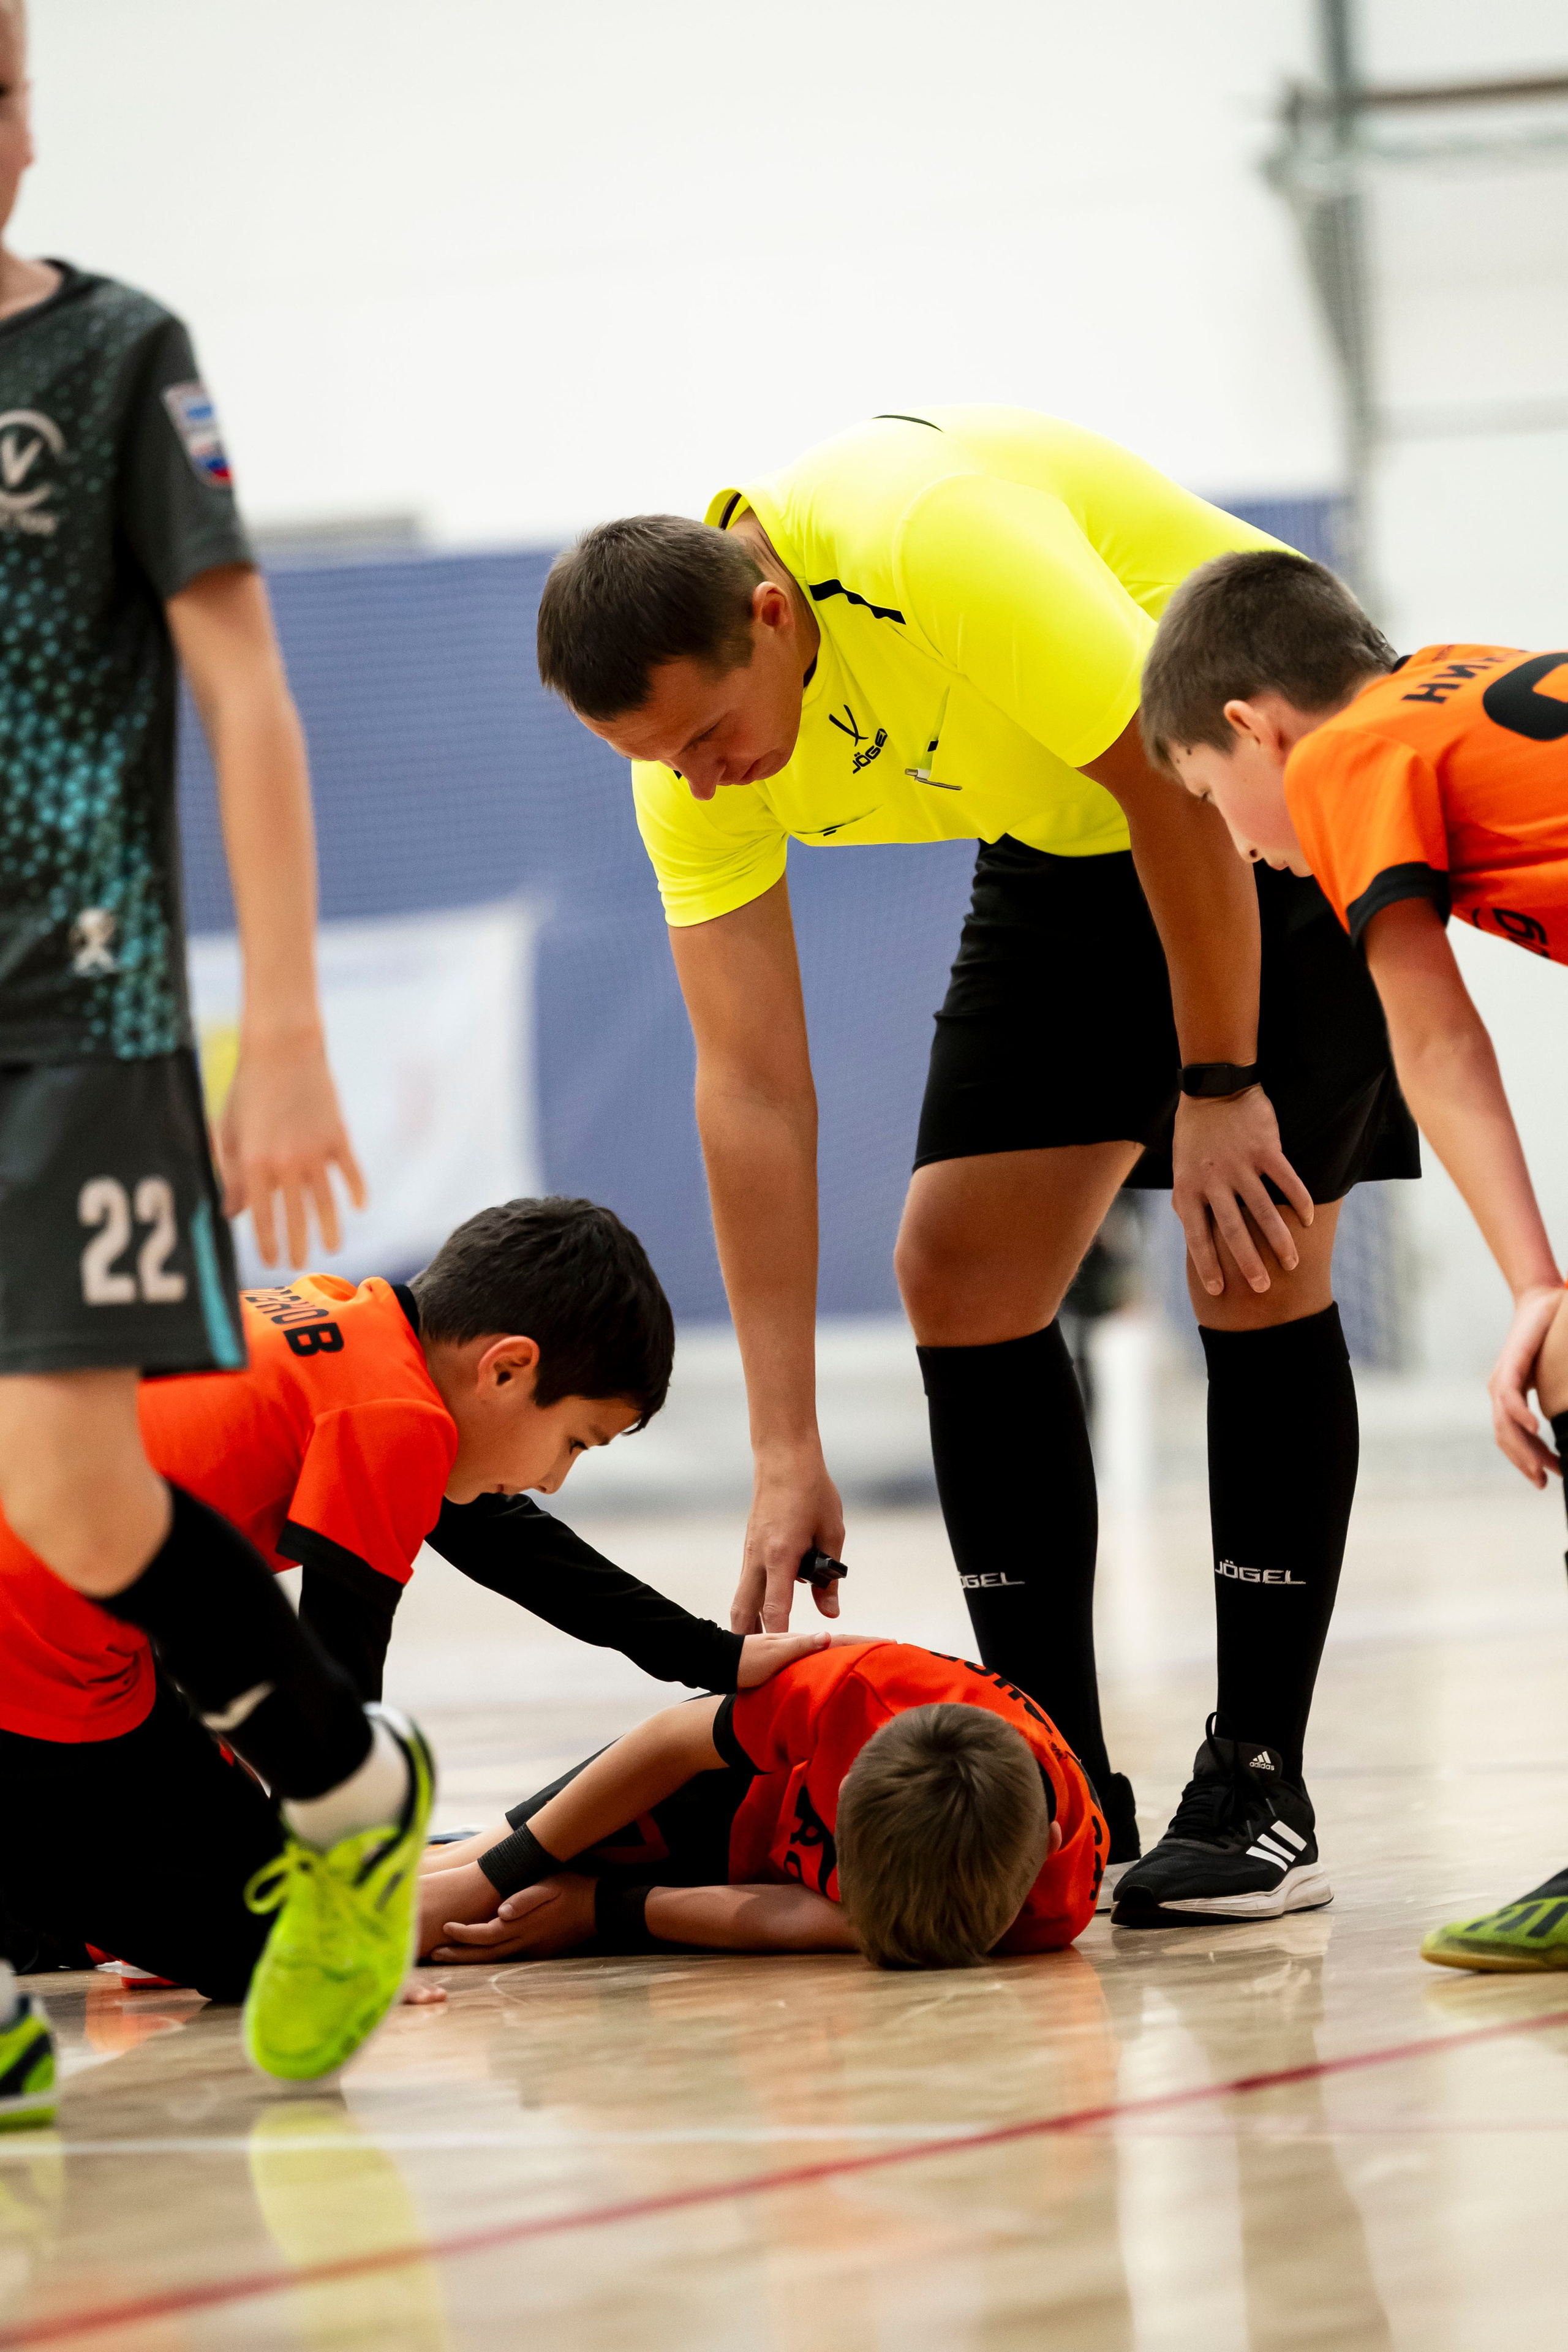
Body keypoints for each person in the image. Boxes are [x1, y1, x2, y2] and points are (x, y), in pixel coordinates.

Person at [534, 405, 1419, 1919]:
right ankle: (1054, 1778)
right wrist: (783, 1448)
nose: (698, 780)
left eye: (704, 735)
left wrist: (1216, 1083)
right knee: (956, 1272)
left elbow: (1174, 788)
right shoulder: (683, 767)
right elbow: (750, 1088)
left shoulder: (922, 538)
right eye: (654, 757)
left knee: (1248, 1252)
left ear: (771, 614)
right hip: (1069, 834)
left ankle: (1256, 1782)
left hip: (1258, 779)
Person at [0, 1, 447, 2086]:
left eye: (7, 99)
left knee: (80, 1504)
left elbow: (248, 694)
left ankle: (346, 1798)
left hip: (74, 1013)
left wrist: (284, 1030)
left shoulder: (115, 356)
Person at [0, 1196, 826, 2016]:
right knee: (289, 1956)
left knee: (223, 1865)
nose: (553, 1481)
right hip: (38, 1672)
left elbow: (509, 1544)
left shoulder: (349, 1326)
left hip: (64, 1632)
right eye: (575, 1442)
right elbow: (331, 1679)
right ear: (506, 1368)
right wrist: (344, 1928)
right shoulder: (393, 1419)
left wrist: (713, 1656)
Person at [1139, 546, 1568, 1961]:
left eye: (1213, 801)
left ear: (1253, 728)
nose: (1242, 849)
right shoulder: (1445, 687)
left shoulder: (1339, 762)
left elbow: (1430, 1041)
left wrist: (1531, 1285)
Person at [415, 1640, 1105, 1969]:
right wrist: (487, 1873)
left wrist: (603, 1910)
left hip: (764, 1876)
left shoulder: (1051, 1907)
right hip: (736, 1784)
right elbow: (670, 1743)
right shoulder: (851, 1693)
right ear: (839, 1796)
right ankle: (446, 1857)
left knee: (515, 1916)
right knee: (460, 1887)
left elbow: (819, 1923)